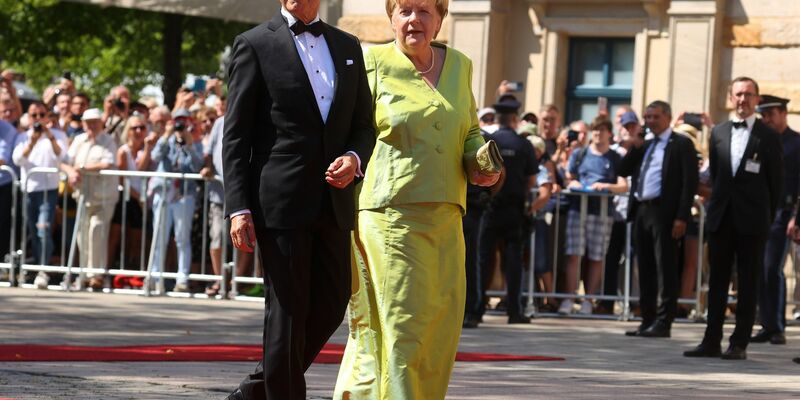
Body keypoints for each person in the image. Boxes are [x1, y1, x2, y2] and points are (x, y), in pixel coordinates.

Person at [333, 0, 499, 398]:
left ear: (440, 18)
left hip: (447, 217)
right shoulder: (371, 61)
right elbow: (351, 130)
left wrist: (482, 160)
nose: (414, 20)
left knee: (439, 330)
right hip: (391, 215)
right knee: (401, 330)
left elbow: (469, 129)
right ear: (390, 17)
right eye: (405, 10)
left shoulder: (460, 65)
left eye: (425, 11)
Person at [221, 0, 376, 397]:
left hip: (334, 202)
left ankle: (256, 390)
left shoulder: (348, 45)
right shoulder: (253, 44)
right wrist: (238, 208)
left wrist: (354, 158)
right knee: (287, 314)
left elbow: (364, 126)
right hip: (281, 203)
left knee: (331, 304)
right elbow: (236, 136)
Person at [684, 77, 783, 360]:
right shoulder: (719, 132)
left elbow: (775, 185)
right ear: (731, 98)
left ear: (757, 99)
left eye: (749, 95)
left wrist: (766, 217)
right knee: (717, 280)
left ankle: (739, 342)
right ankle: (711, 340)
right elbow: (716, 176)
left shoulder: (769, 136)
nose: (743, 100)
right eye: (739, 94)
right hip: (722, 218)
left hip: (753, 221)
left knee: (748, 282)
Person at [618, 101, 698, 338]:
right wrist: (634, 146)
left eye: (655, 117)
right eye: (647, 117)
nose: (650, 121)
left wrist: (682, 216)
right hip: (642, 209)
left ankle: (664, 321)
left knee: (666, 267)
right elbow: (623, 170)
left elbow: (689, 182)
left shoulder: (681, 144)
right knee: (645, 267)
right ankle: (648, 319)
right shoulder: (646, 144)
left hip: (666, 212)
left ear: (668, 117)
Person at [477, 98, 537, 324]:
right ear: (514, 118)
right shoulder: (524, 144)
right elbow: (531, 179)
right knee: (513, 261)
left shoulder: (490, 140)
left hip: (491, 206)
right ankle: (514, 310)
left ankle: (476, 309)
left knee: (484, 259)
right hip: (514, 209)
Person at [560, 116, 628, 315]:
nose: (598, 133)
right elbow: (569, 178)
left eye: (602, 130)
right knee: (574, 255)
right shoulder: (580, 154)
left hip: (602, 213)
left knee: (596, 257)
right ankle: (569, 297)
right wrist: (574, 185)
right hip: (577, 210)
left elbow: (623, 185)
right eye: (595, 130)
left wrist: (606, 186)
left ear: (609, 133)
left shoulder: (615, 158)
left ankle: (589, 299)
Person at [750, 95, 800, 346]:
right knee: (759, 269)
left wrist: (795, 216)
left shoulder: (796, 143)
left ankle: (777, 326)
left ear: (783, 113)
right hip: (760, 212)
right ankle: (766, 324)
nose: (766, 119)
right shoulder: (760, 142)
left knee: (773, 269)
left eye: (771, 114)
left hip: (784, 212)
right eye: (763, 115)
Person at [59, 108, 119, 289]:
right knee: (82, 234)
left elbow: (107, 163)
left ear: (101, 123)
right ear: (83, 124)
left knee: (97, 230)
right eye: (88, 122)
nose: (92, 125)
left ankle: (96, 274)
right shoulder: (78, 141)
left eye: (95, 121)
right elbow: (64, 161)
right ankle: (84, 273)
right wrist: (71, 172)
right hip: (83, 196)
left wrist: (83, 168)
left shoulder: (108, 141)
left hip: (104, 196)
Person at [148, 109, 203, 293]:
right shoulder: (167, 141)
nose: (180, 125)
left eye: (183, 121)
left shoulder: (194, 142)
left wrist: (190, 146)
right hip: (164, 193)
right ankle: (155, 278)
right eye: (177, 121)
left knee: (182, 237)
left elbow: (197, 167)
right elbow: (155, 156)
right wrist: (166, 135)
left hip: (184, 194)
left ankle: (182, 278)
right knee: (159, 237)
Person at [12, 102, 68, 276]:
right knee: (33, 232)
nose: (38, 119)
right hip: (29, 190)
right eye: (34, 115)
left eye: (41, 115)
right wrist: (32, 142)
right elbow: (18, 160)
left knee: (43, 229)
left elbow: (63, 157)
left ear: (47, 116)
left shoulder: (58, 135)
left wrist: (49, 136)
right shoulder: (22, 137)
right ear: (29, 118)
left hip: (48, 191)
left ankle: (43, 268)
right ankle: (39, 265)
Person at [107, 115, 154, 272]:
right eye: (135, 128)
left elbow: (141, 169)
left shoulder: (146, 151)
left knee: (137, 238)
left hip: (140, 199)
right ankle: (106, 272)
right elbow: (122, 179)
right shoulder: (123, 151)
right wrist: (137, 197)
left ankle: (134, 272)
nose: (139, 131)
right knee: (115, 236)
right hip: (125, 197)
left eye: (142, 127)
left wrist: (147, 148)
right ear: (128, 131)